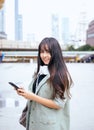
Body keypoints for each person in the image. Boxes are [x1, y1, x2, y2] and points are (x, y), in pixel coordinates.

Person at [17, 37, 73, 130]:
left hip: (50, 126)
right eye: (42, 52)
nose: (44, 55)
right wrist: (24, 93)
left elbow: (58, 104)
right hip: (34, 123)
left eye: (48, 52)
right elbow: (36, 93)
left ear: (55, 53)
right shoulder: (39, 72)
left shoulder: (61, 75)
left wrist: (32, 96)